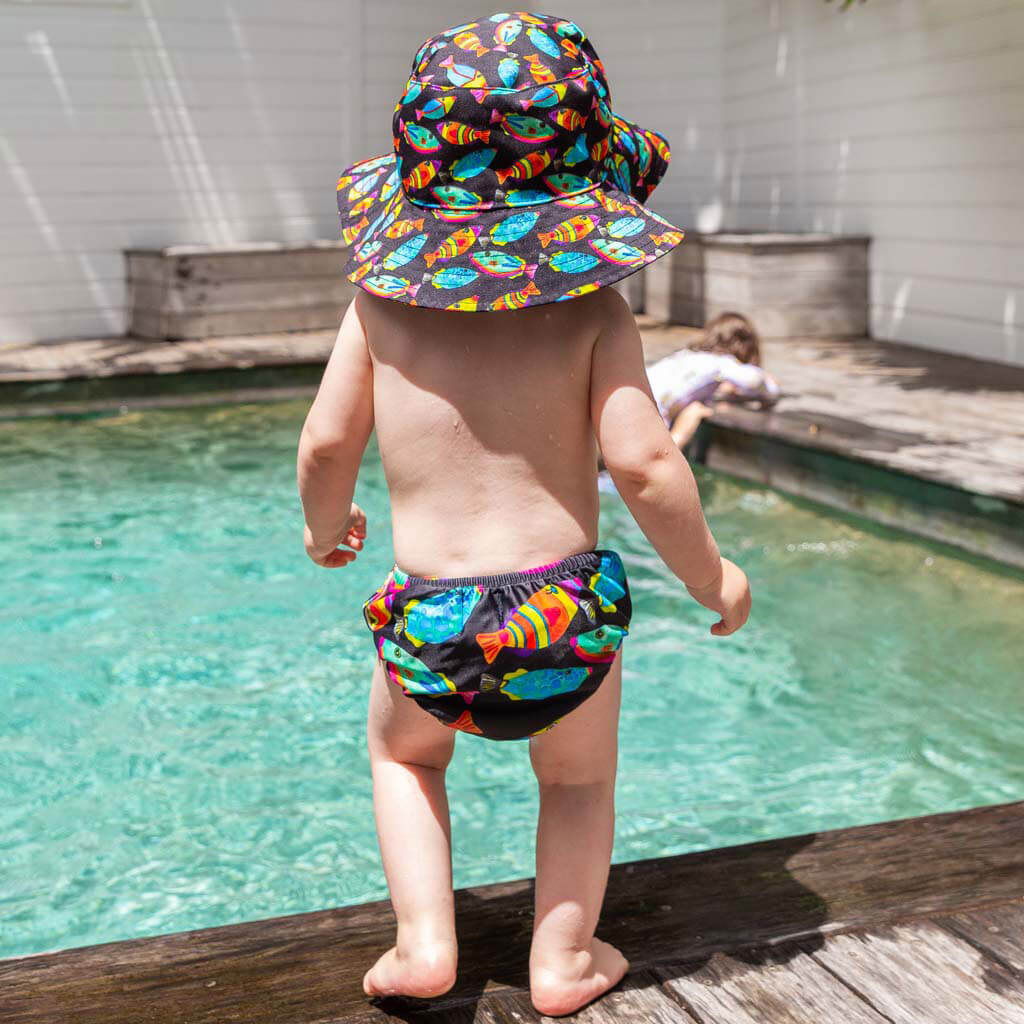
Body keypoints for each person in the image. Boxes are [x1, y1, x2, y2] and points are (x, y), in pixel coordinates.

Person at [297, 13, 751, 1018]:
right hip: (564, 616)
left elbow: (326, 444)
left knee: (402, 757)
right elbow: (643, 461)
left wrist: (327, 530)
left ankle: (423, 941)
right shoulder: (596, 314)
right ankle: (564, 955)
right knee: (578, 786)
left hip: (430, 617)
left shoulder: (378, 306)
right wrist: (712, 577)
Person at [647, 312, 780, 452]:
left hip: (639, 405)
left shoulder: (687, 355)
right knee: (666, 450)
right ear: (744, 346)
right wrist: (769, 383)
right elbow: (754, 380)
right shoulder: (721, 363)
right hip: (653, 422)